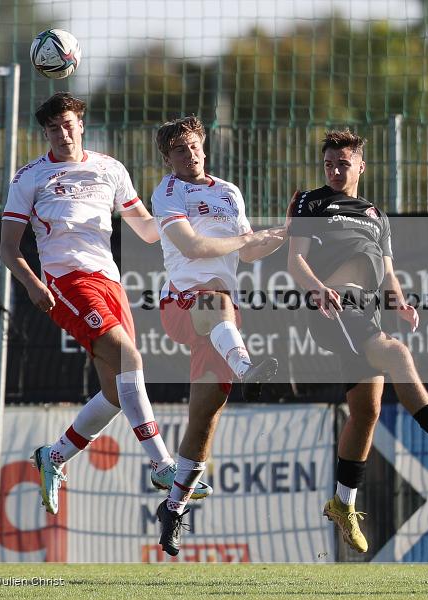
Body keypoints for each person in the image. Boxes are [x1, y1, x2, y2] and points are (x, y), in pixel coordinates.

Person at [0, 93, 209, 516]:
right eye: (54, 127)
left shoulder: (110, 168)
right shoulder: (30, 178)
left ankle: (54, 456)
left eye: (69, 124)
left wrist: (180, 208)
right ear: (45, 133)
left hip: (109, 282)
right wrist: (32, 283)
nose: (63, 133)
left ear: (81, 124)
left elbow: (147, 230)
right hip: (66, 282)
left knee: (115, 393)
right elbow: (8, 246)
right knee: (131, 356)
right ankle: (163, 465)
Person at [286, 129, 428, 554]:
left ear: (361, 165)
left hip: (367, 309)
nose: (335, 170)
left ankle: (343, 504)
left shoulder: (376, 215)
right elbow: (295, 259)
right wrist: (315, 288)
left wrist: (400, 303)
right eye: (329, 163)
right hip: (333, 306)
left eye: (343, 163)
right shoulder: (313, 201)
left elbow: (387, 272)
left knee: (366, 412)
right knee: (398, 354)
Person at [150, 116, 285, 556]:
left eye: (193, 145)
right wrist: (246, 238)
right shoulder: (168, 192)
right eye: (178, 150)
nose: (188, 154)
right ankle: (248, 368)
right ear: (167, 158)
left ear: (203, 146)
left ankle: (174, 508)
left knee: (204, 418)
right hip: (184, 305)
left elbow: (247, 250)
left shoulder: (229, 191)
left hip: (223, 320)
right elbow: (192, 248)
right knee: (214, 299)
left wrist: (278, 237)